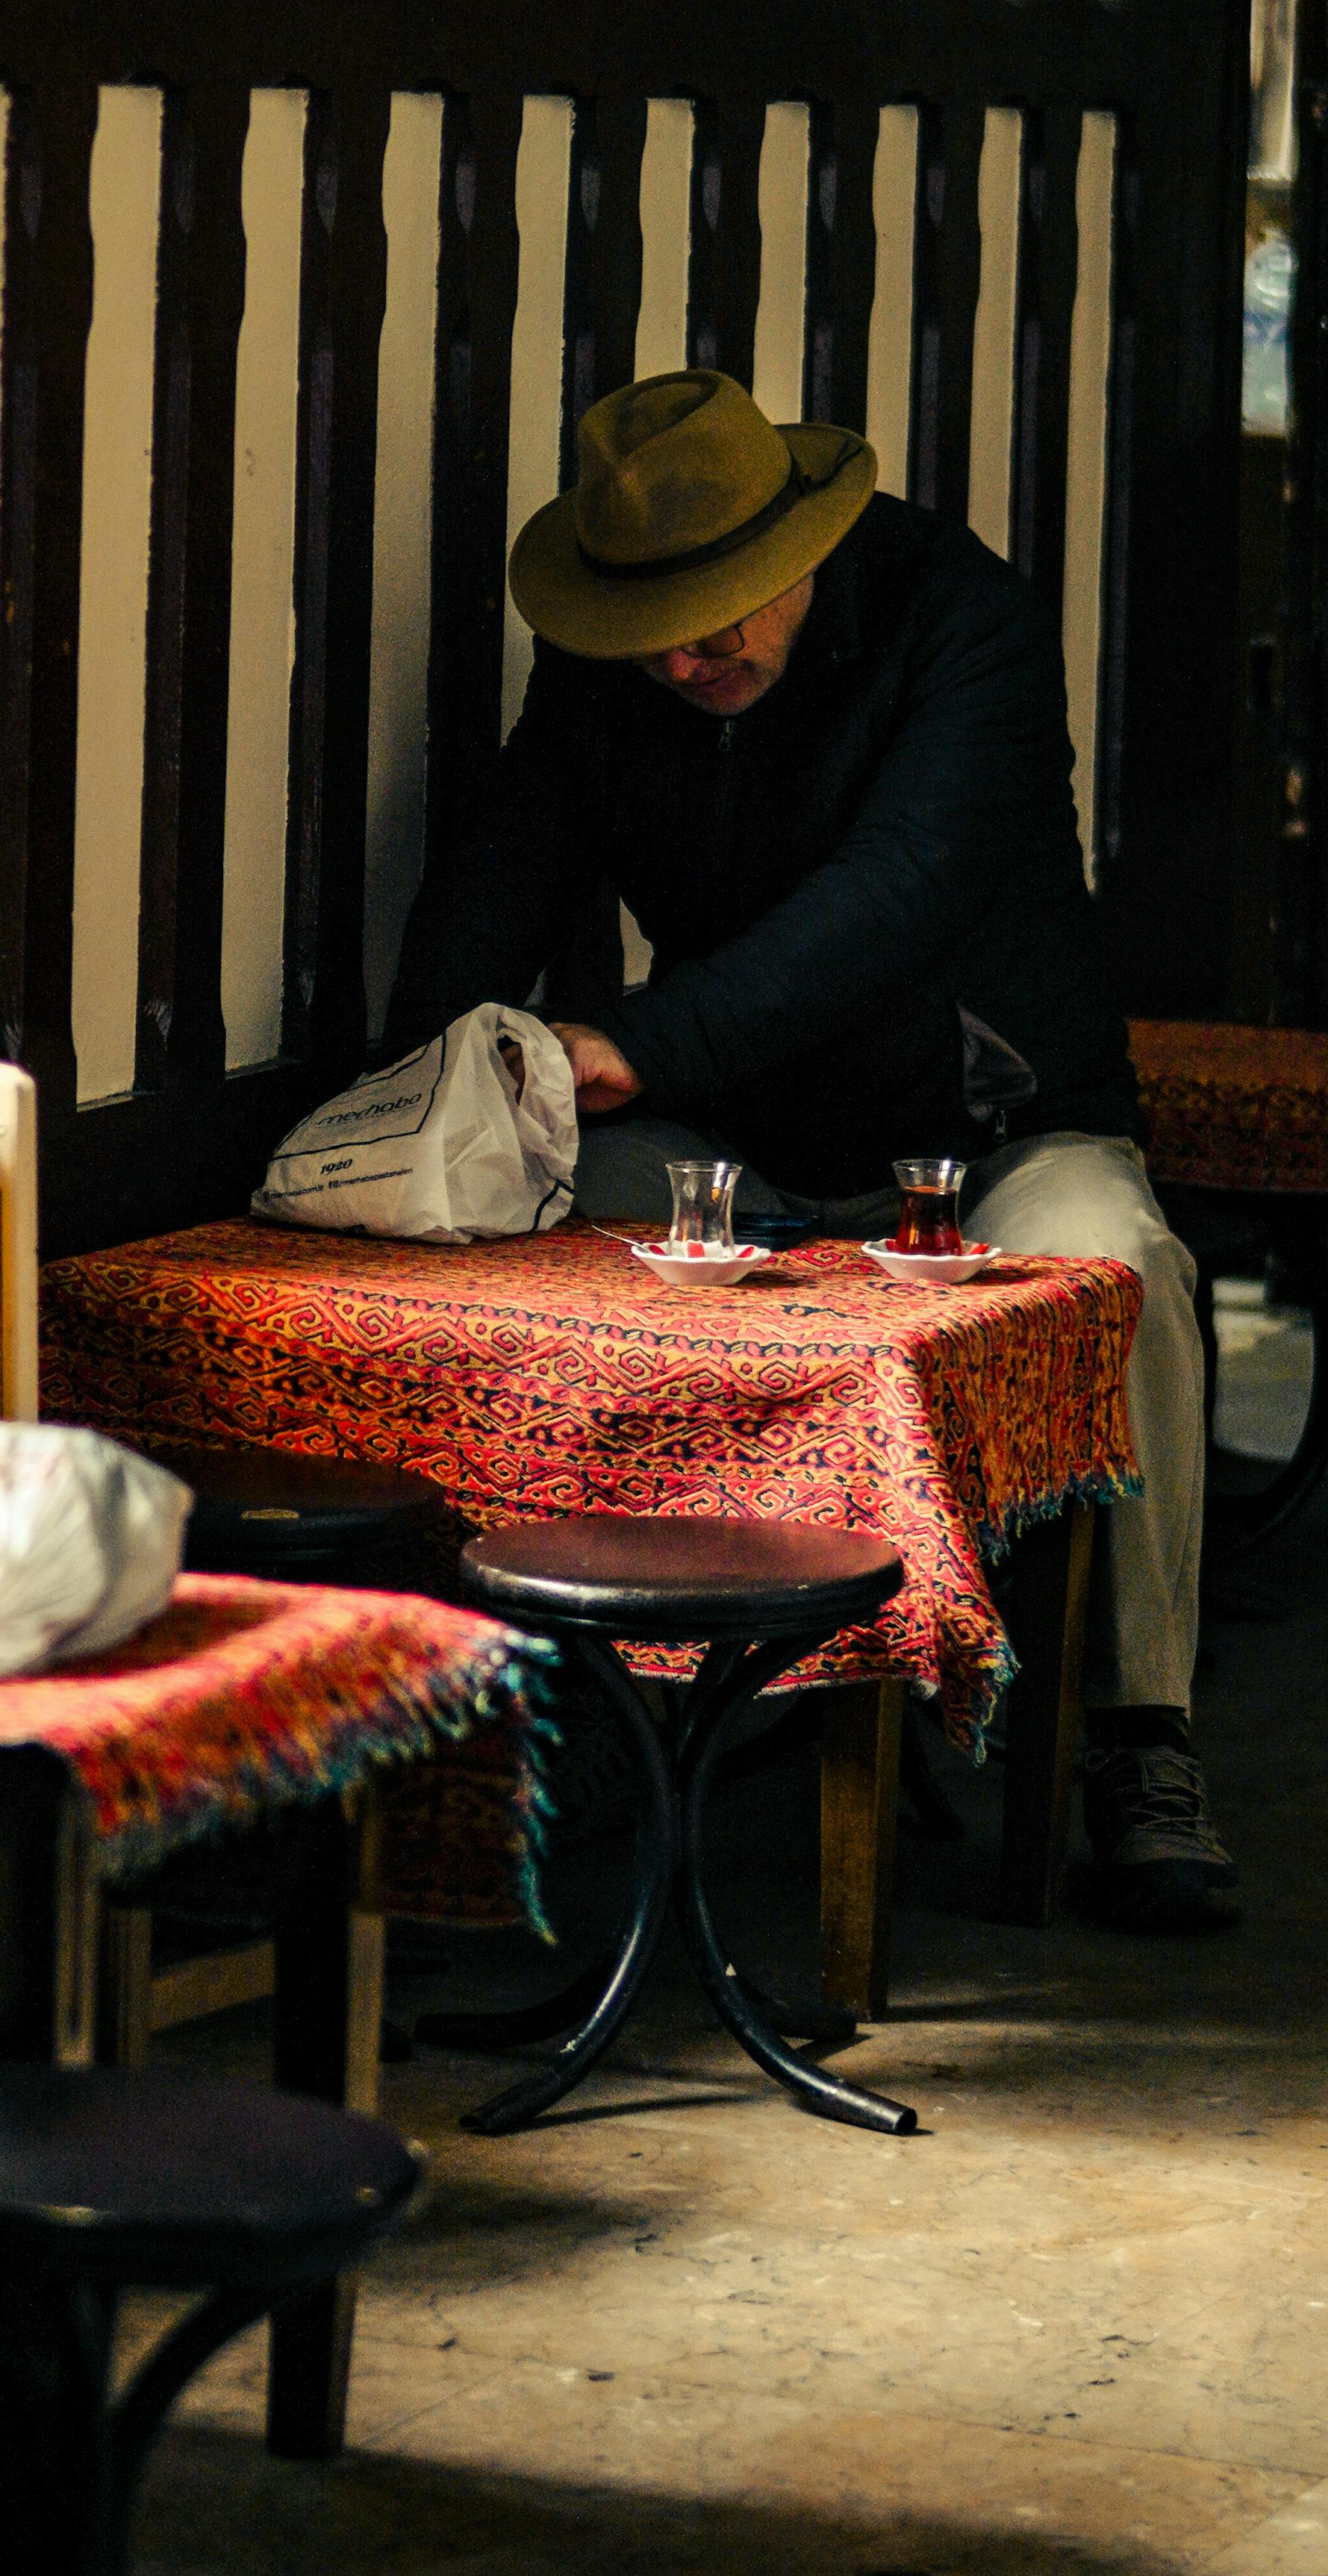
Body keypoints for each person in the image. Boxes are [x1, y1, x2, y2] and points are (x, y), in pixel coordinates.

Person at [381, 367, 1231, 1933]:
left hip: (995, 1131)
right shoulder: (610, 667)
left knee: (1129, 1279)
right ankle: (563, 1719)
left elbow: (892, 898)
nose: (691, 656)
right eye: (657, 631)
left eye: (723, 614)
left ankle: (1139, 1738)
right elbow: (499, 867)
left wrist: (634, 1046)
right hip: (743, 1141)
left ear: (809, 546)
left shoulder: (959, 615)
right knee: (476, 1242)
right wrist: (411, 1095)